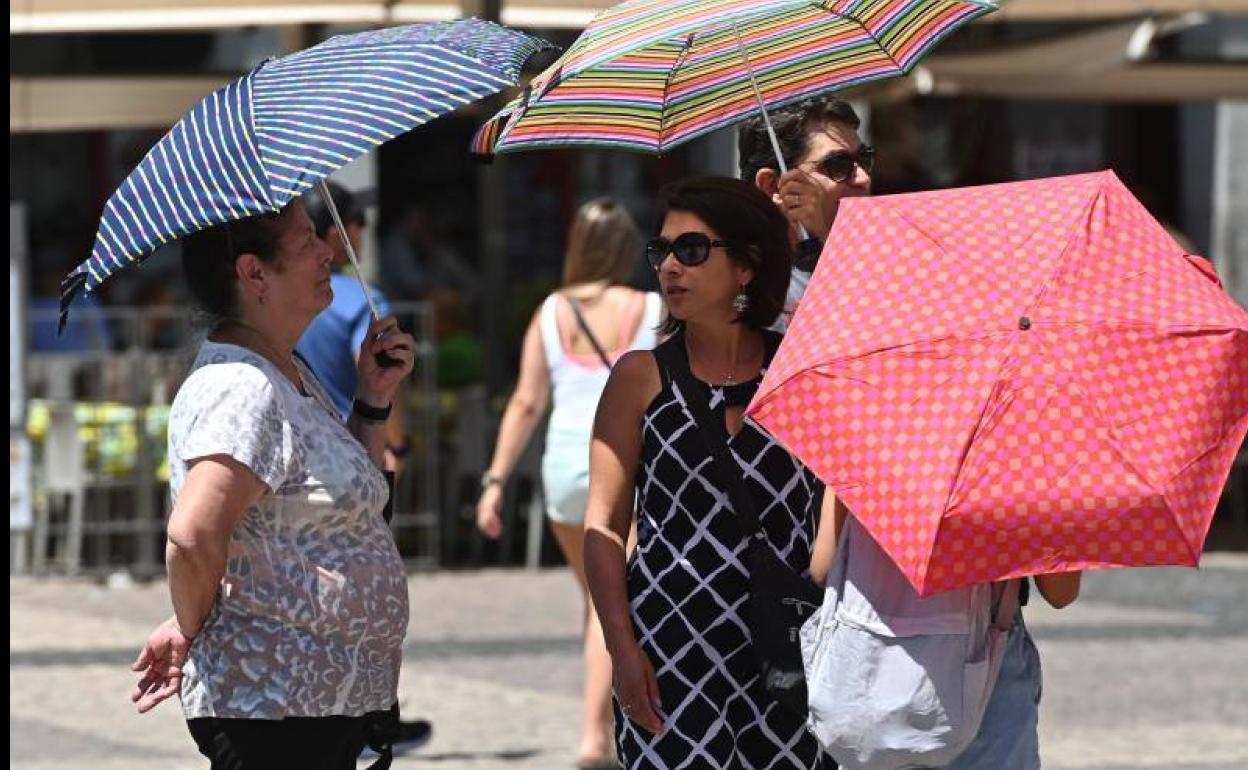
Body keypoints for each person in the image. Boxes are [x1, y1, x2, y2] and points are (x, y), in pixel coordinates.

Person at [127, 201, 416, 770]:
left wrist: (373, 400)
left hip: (314, 705)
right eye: (307, 240)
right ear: (254, 273)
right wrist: (191, 626)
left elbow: (344, 506)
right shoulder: (241, 386)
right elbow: (192, 535)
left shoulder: (285, 370)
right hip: (277, 708)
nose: (327, 253)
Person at [583, 177, 831, 769]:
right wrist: (621, 649)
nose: (669, 267)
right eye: (661, 251)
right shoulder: (639, 378)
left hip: (788, 645)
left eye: (691, 250)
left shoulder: (799, 370)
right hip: (670, 650)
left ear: (746, 267)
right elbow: (606, 524)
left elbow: (836, 496)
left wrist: (813, 588)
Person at [476, 197, 662, 769]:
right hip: (624, 467)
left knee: (594, 598)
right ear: (627, 249)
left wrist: (495, 480)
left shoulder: (552, 312)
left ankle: (595, 733)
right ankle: (596, 735)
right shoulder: (652, 307)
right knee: (619, 606)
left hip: (562, 470)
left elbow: (527, 401)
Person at [296, 182, 412, 477]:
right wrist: (398, 446)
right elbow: (383, 376)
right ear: (337, 235)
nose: (364, 232)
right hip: (353, 451)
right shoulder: (364, 300)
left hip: (298, 453)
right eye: (359, 221)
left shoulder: (282, 301)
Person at [739, 96, 873, 330]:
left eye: (864, 159)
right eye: (838, 165)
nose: (863, 179)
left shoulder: (887, 262)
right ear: (772, 185)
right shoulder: (734, 286)